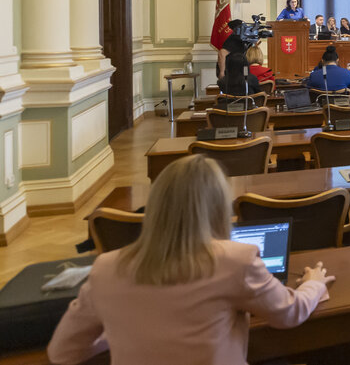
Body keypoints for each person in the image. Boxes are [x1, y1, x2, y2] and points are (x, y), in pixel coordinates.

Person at [47, 155, 333, 365]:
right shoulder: (237, 260)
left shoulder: (105, 268)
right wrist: (314, 283)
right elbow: (290, 313)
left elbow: (62, 352)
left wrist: (121, 330)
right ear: (219, 208)